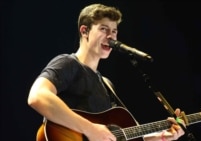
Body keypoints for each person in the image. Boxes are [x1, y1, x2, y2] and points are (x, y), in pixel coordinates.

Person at [27, 3, 185, 141]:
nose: (111, 37)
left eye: (114, 31)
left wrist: (162, 137)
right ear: (84, 31)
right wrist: (90, 129)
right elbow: (37, 97)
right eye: (104, 29)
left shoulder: (106, 83)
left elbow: (114, 137)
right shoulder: (68, 63)